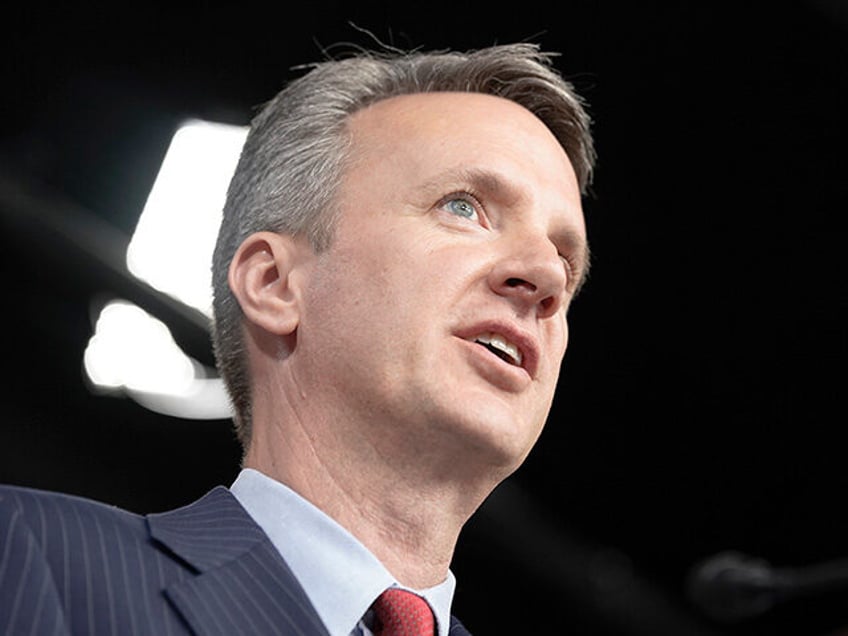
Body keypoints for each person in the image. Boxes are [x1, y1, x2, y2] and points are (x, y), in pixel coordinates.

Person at [0, 41, 595, 635]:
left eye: (565, 261)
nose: (544, 276)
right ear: (274, 283)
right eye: (464, 207)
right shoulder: (25, 556)